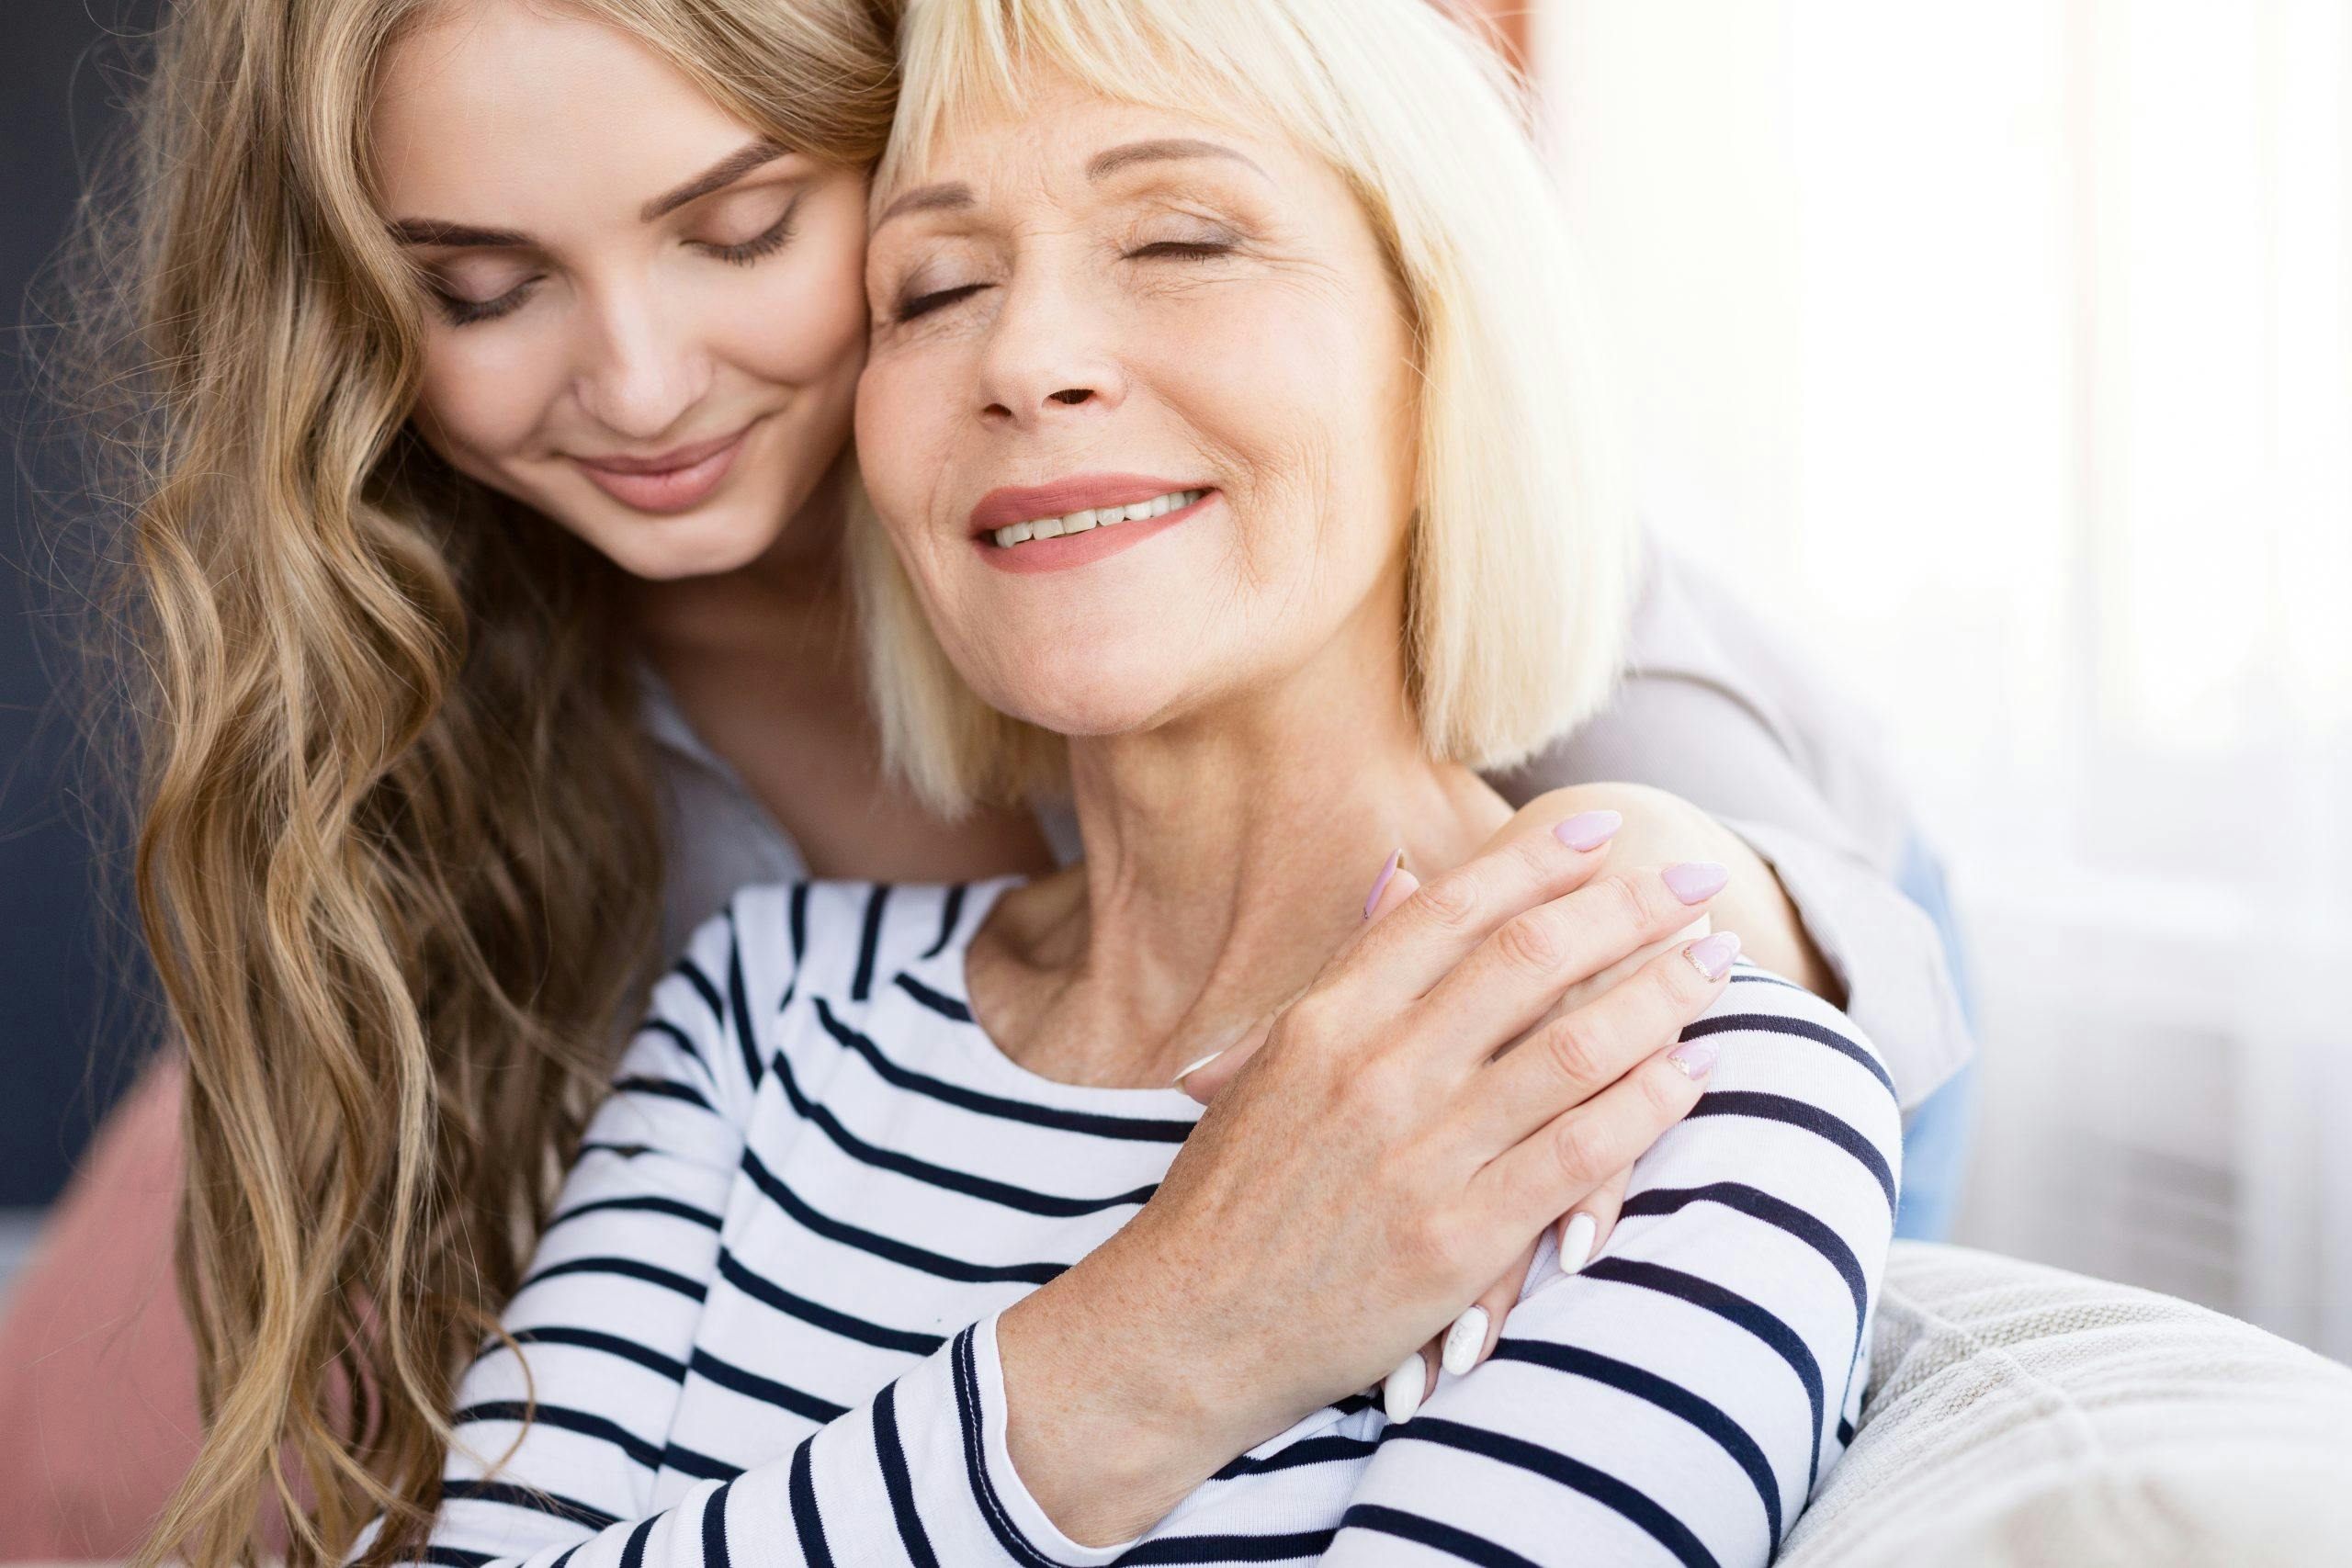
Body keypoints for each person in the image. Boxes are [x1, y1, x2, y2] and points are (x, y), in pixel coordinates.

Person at [0, 0, 1961, 1560]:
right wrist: (1162, 1329)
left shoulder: (1670, 970)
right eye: (486, 288)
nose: (639, 377)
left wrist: (1646, 926)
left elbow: (1757, 964)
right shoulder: (739, 963)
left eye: (739, 227)